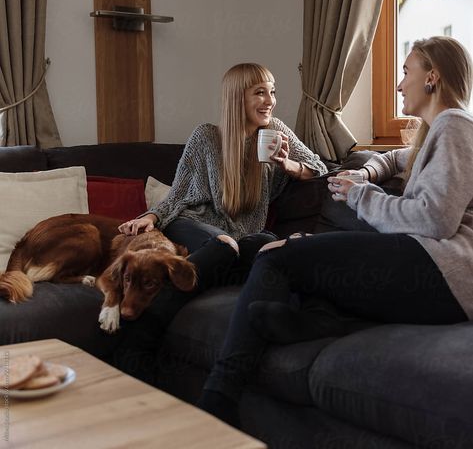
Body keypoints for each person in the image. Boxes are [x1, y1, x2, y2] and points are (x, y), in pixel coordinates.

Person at [197, 36, 473, 427]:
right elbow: (396, 157)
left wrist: (362, 195)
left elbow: (435, 220)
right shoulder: (436, 131)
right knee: (290, 247)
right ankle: (323, 320)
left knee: (279, 255)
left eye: (406, 72)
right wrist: (366, 170)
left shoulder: (456, 125)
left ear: (433, 77)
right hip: (431, 274)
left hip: (442, 274)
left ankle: (218, 399)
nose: (399, 84)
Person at [111, 62, 327, 381]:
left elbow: (318, 167)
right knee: (224, 246)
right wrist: (152, 216)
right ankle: (137, 341)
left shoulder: (275, 132)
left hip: (242, 236)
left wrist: (287, 164)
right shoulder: (207, 136)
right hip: (193, 223)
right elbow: (180, 191)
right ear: (237, 98)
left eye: (272, 92)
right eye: (259, 93)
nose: (270, 100)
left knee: (270, 245)